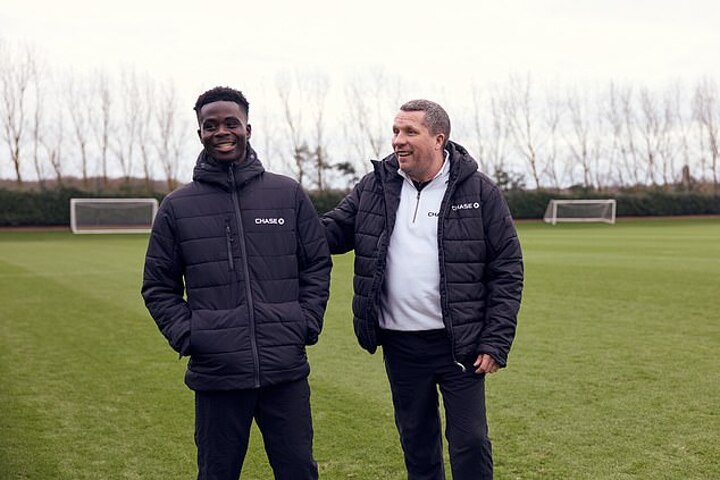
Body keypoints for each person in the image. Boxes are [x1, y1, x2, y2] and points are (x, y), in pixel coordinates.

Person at [322, 99, 523, 479]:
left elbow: (507, 269)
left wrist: (495, 341)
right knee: (417, 442)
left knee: (471, 442)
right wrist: (280, 221)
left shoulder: (478, 191)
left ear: (438, 139)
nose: (398, 140)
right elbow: (331, 233)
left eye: (410, 132)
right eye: (396, 131)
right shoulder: (374, 186)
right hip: (400, 345)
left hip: (459, 343)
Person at [141, 86, 331, 480]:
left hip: (285, 370)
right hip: (217, 373)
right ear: (200, 134)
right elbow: (158, 286)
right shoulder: (178, 206)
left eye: (231, 123)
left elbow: (316, 264)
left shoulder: (287, 194)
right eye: (210, 126)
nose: (221, 131)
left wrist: (305, 322)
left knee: (298, 470)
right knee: (217, 473)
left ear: (248, 128)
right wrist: (191, 335)